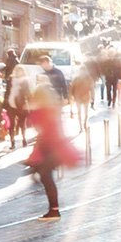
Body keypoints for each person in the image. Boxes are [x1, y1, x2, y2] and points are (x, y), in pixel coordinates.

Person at [26, 85, 78, 220]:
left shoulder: (43, 111)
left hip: (49, 148)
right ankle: (53, 210)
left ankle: (54, 211)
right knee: (45, 176)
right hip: (52, 147)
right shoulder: (52, 109)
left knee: (46, 177)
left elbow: (38, 126)